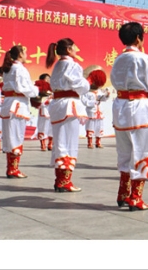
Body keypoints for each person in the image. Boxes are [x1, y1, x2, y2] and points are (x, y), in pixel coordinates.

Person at [110, 22, 148, 210]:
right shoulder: (144, 59)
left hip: (120, 107)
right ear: (138, 38)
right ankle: (135, 197)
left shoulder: (119, 59)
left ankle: (123, 193)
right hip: (139, 109)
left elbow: (113, 80)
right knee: (142, 151)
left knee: (124, 151)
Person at [46, 38, 91, 192]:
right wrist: (88, 82)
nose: (77, 50)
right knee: (69, 142)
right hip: (68, 106)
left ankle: (60, 179)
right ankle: (64, 180)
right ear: (69, 49)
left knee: (60, 141)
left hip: (59, 105)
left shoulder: (58, 65)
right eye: (75, 47)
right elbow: (79, 84)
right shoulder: (72, 64)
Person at [0, 45, 39, 178]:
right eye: (25, 52)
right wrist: (37, 91)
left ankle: (11, 168)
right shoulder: (19, 69)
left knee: (11, 136)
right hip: (17, 105)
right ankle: (13, 169)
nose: (27, 55)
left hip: (10, 104)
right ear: (20, 54)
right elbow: (24, 88)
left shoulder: (8, 69)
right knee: (16, 136)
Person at [82, 70, 110, 149]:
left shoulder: (99, 91)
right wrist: (93, 102)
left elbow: (103, 99)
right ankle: (90, 143)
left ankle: (98, 142)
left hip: (100, 113)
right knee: (90, 127)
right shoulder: (86, 92)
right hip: (91, 113)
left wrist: (106, 95)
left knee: (99, 127)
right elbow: (85, 101)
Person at [33, 73, 53, 151]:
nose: (48, 79)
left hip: (52, 110)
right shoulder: (38, 88)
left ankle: (50, 143)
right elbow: (37, 99)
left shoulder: (52, 88)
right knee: (42, 126)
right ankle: (43, 144)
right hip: (44, 109)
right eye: (47, 78)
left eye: (49, 78)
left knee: (52, 127)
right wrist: (44, 102)